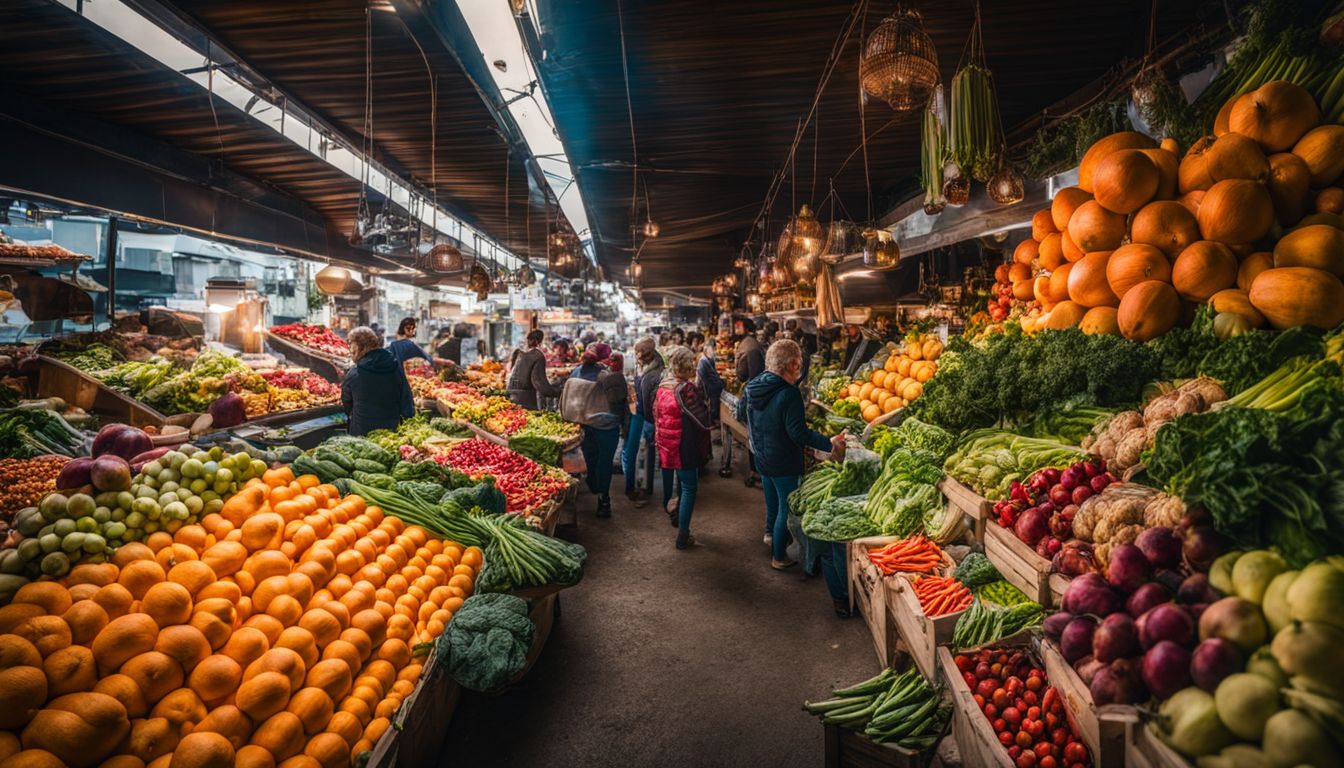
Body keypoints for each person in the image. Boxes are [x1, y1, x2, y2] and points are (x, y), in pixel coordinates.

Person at [741, 339, 848, 614]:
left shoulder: (753, 386)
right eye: (799, 363)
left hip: (763, 455)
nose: (800, 369)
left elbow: (742, 413)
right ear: (792, 365)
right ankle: (779, 556)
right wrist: (829, 443)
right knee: (785, 512)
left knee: (773, 503)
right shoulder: (788, 394)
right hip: (783, 459)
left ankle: (772, 542)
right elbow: (798, 434)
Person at [654, 346, 711, 549]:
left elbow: (656, 415)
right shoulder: (686, 389)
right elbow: (702, 419)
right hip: (684, 445)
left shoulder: (663, 386)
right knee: (689, 488)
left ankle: (676, 516)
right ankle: (683, 534)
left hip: (667, 443)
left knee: (681, 485)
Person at [570, 343, 624, 518]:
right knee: (604, 462)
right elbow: (619, 401)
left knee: (591, 459)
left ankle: (594, 485)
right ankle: (603, 499)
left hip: (585, 424)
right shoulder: (608, 375)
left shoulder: (576, 372)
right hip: (606, 426)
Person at [341, 326, 415, 437]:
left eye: (351, 344)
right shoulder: (395, 367)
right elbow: (407, 403)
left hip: (362, 436)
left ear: (358, 347)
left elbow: (347, 404)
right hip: (391, 434)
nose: (350, 349)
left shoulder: (354, 373)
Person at [622, 337, 664, 505]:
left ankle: (633, 488)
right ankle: (643, 486)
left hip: (643, 416)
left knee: (634, 452)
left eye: (637, 353)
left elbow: (647, 403)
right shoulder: (654, 364)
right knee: (644, 452)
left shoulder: (650, 375)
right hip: (643, 414)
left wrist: (649, 422)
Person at [735, 318, 766, 483]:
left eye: (738, 326)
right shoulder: (750, 344)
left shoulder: (749, 347)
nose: (735, 328)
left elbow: (746, 375)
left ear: (746, 328)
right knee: (755, 434)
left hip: (755, 396)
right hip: (756, 394)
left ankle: (757, 470)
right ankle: (756, 469)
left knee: (755, 434)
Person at [507, 330, 561, 409]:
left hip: (510, 395)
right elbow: (538, 382)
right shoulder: (537, 355)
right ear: (539, 341)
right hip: (525, 399)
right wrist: (555, 392)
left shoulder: (518, 352)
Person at [696, 336, 725, 427]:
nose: (715, 351)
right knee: (713, 407)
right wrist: (722, 383)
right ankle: (712, 420)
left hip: (709, 390)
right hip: (709, 392)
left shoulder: (707, 360)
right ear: (707, 348)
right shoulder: (703, 362)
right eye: (713, 348)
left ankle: (713, 419)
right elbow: (710, 381)